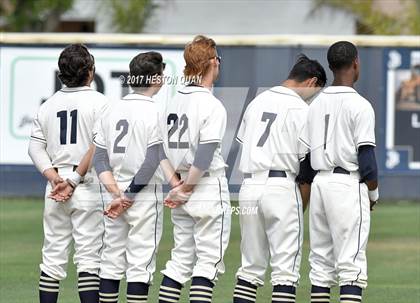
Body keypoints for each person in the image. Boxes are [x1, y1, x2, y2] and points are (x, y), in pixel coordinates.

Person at [232, 55, 326, 303]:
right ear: (312, 81)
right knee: (285, 271)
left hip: (249, 186)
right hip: (281, 186)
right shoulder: (302, 109)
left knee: (250, 267)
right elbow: (307, 165)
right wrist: (300, 204)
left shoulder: (257, 101)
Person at [92, 51, 180, 303]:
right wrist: (128, 196)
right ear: (156, 79)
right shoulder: (156, 111)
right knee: (140, 264)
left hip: (113, 194)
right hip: (141, 195)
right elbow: (152, 159)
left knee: (110, 260)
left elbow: (99, 158)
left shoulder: (112, 108)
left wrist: (116, 194)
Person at [299, 41, 379, 303]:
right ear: (356, 63)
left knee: (321, 267)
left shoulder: (315, 104)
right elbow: (367, 159)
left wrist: (306, 195)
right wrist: (373, 195)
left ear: (331, 66)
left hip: (320, 183)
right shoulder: (361, 105)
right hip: (346, 185)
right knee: (351, 267)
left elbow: (307, 161)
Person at [28, 44, 107, 303]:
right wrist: (72, 180)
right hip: (85, 184)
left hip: (55, 188)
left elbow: (34, 148)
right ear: (90, 72)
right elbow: (99, 146)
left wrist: (54, 178)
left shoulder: (48, 105)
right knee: (88, 260)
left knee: (52, 258)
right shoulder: (100, 102)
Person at [157, 35, 231, 303]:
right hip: (206, 184)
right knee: (208, 262)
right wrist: (187, 187)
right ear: (212, 62)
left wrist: (175, 184)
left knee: (180, 260)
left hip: (180, 185)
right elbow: (206, 152)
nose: (219, 64)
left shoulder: (172, 101)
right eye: (218, 59)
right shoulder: (211, 104)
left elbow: (157, 149)